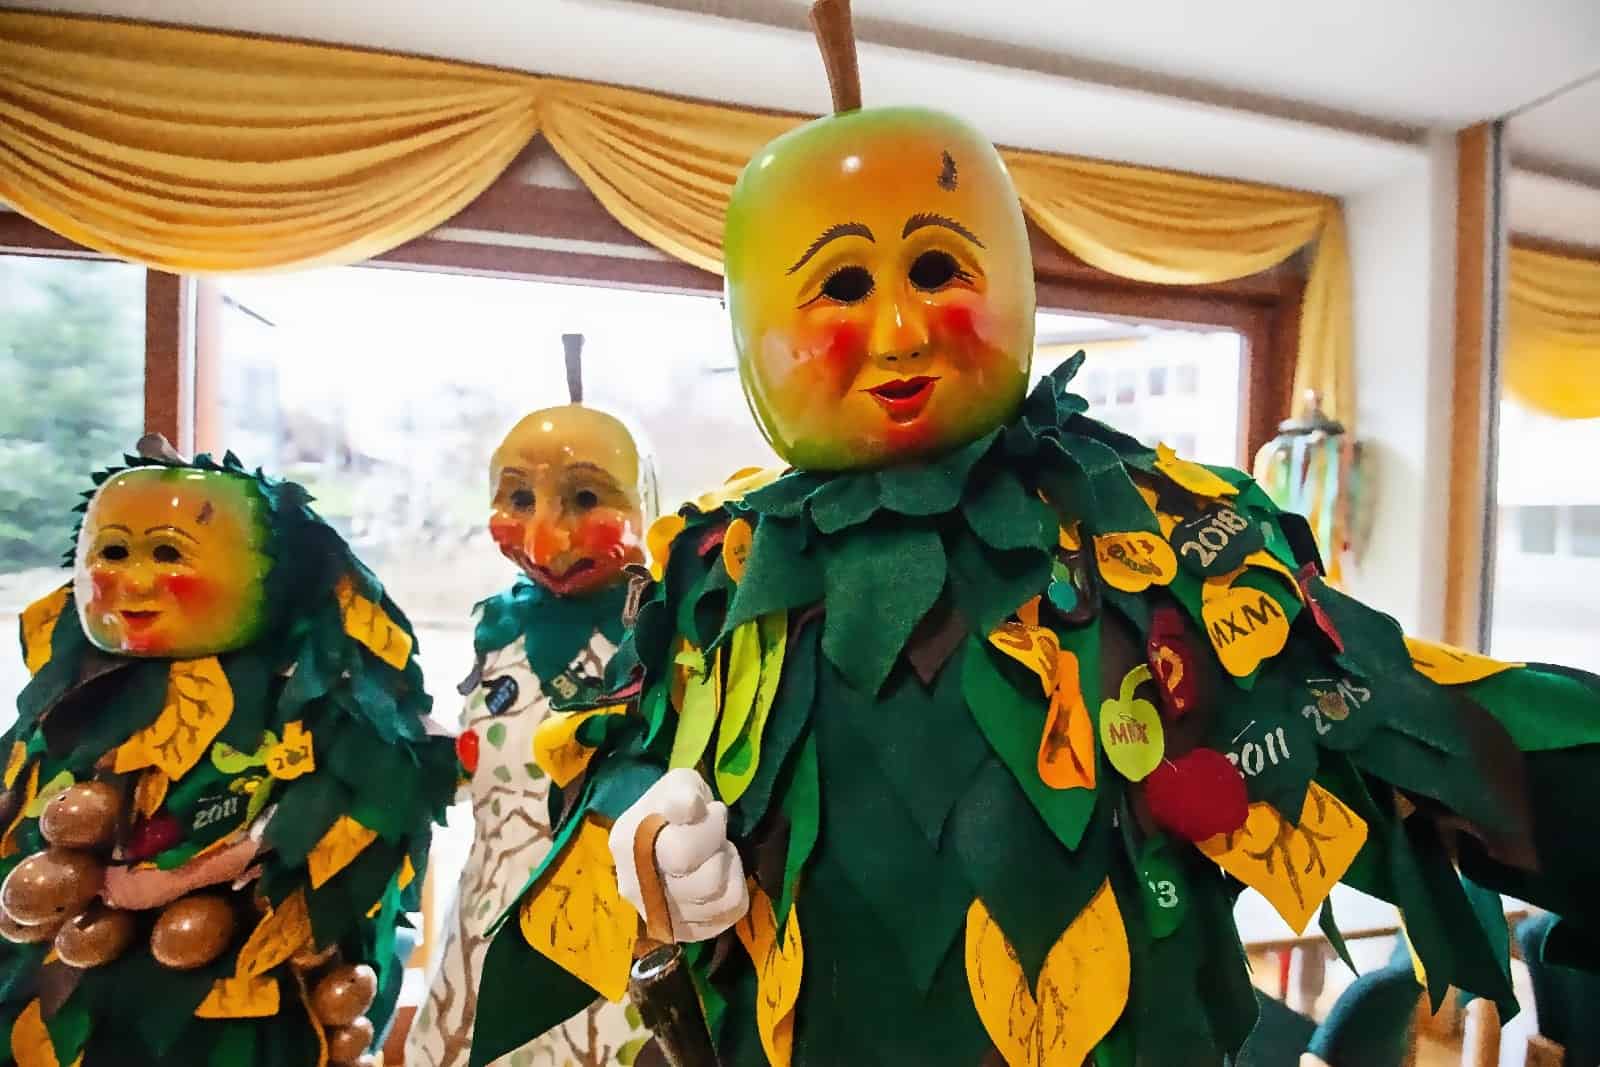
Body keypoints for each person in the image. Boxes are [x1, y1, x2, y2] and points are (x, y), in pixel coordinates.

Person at [471, 5, 1600, 1064]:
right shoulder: (714, 567)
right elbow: (614, 759)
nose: (901, 329)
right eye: (843, 285)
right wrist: (643, 838)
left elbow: (1394, 715)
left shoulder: (1149, 524)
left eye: (934, 269)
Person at [0, 441, 457, 1067]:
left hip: (233, 995)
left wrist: (178, 880)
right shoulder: (70, 700)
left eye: (168, 553)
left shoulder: (311, 703)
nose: (134, 581)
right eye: (113, 552)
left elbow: (335, 820)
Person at [408, 398, 657, 1067]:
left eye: (586, 498)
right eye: (518, 498)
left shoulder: (666, 633)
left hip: (614, 940)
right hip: (488, 922)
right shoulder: (498, 630)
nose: (545, 542)